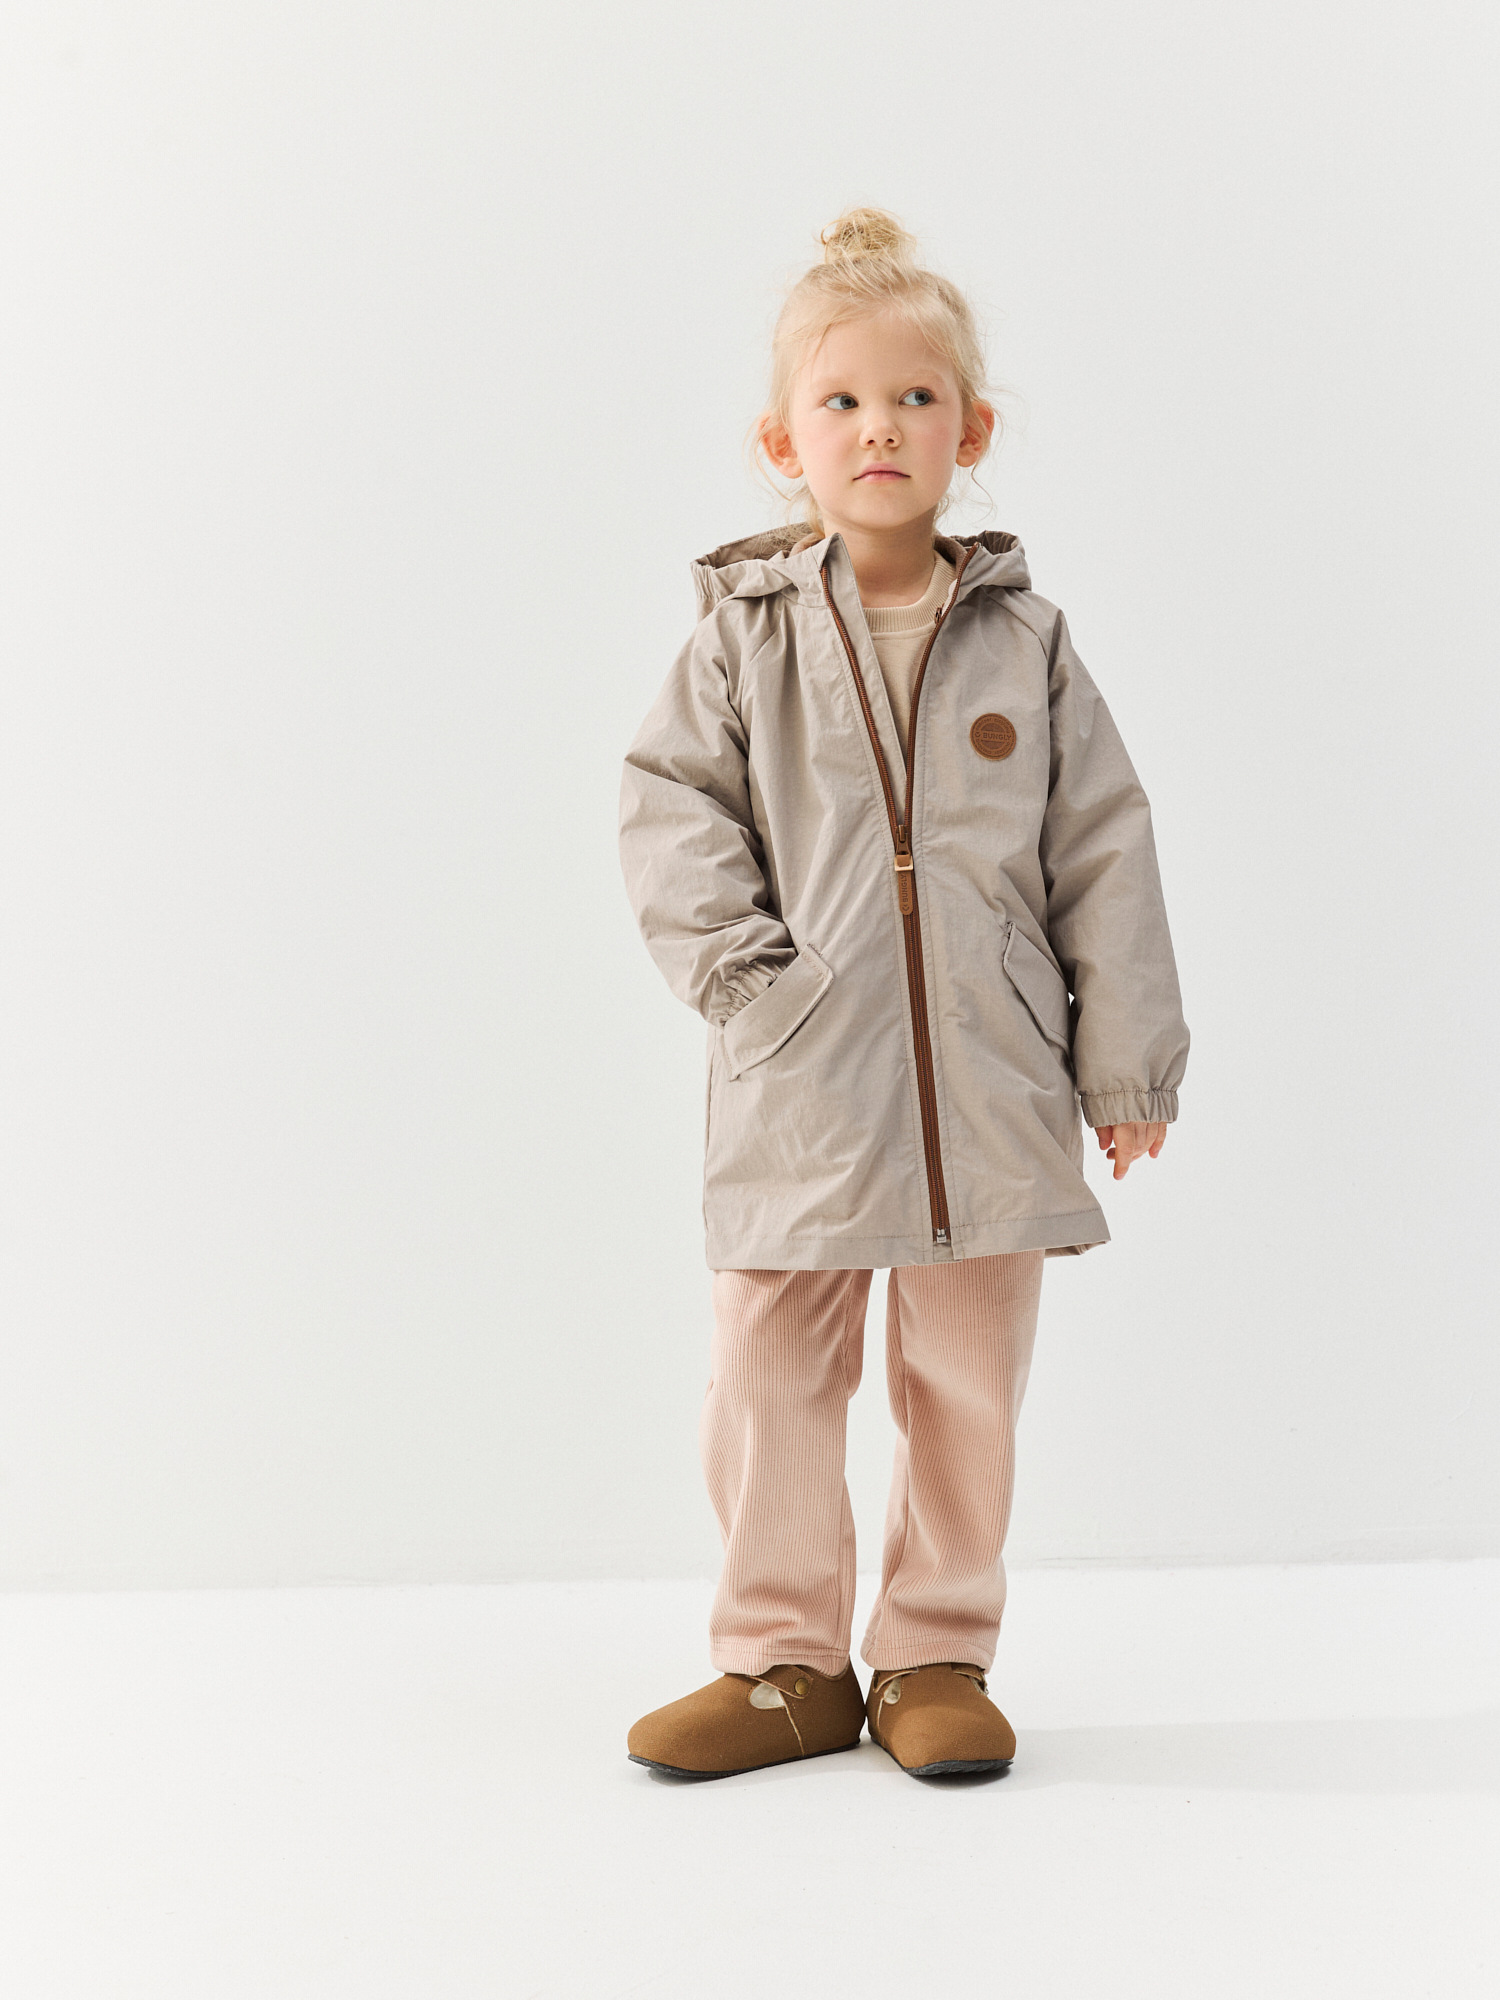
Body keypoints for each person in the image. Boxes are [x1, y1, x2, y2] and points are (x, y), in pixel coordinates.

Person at [617, 207, 1188, 1781]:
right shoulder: (739, 641)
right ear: (783, 442)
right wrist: (757, 992)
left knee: (967, 1387)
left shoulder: (1028, 644)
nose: (880, 427)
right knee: (770, 1376)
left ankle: (936, 1650)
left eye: (915, 399)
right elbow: (670, 812)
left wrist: (1125, 1065)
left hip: (993, 1089)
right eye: (844, 401)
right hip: (801, 1083)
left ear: (969, 431)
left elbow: (1103, 848)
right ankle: (783, 1665)